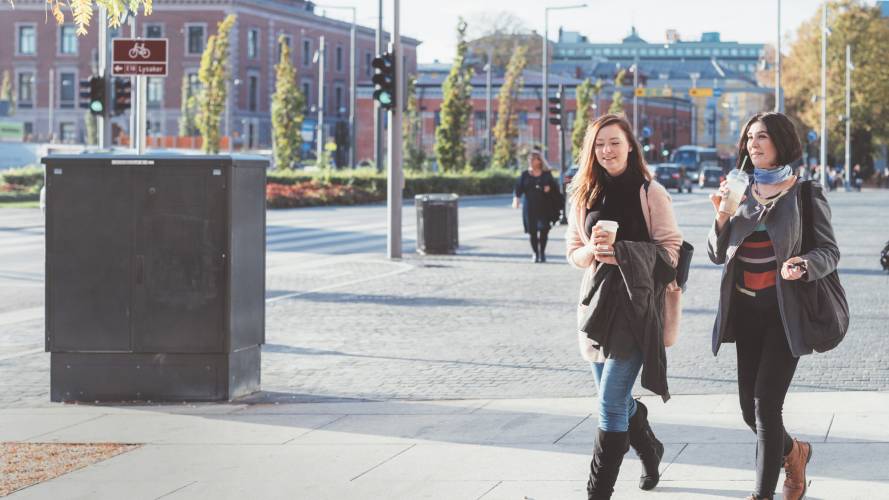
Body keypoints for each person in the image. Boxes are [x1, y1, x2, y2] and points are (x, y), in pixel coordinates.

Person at [707, 112, 840, 500]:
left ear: (781, 141)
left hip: (786, 313)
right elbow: (717, 255)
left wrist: (804, 264)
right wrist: (721, 215)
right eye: (749, 138)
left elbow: (829, 251)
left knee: (766, 408)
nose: (754, 144)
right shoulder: (739, 190)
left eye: (762, 136)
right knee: (750, 411)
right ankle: (795, 453)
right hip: (746, 312)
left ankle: (760, 495)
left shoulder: (804, 192)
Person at [565, 114, 682, 499]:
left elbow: (671, 253)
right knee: (614, 400)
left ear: (630, 145)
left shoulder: (651, 191)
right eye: (599, 144)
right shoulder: (583, 193)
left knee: (610, 402)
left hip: (638, 307)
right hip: (598, 306)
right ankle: (650, 448)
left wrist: (623, 254)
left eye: (614, 142)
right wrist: (591, 252)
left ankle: (597, 493)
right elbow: (573, 253)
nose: (607, 150)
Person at [513, 148, 560, 262]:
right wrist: (516, 199)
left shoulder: (546, 174)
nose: (530, 161)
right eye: (529, 159)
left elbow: (555, 188)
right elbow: (518, 188)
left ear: (539, 161)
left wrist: (549, 189)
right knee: (532, 231)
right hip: (530, 207)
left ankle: (542, 253)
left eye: (533, 159)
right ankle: (535, 253)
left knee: (544, 230)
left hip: (544, 206)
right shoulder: (525, 174)